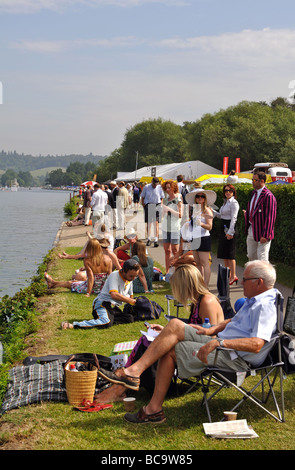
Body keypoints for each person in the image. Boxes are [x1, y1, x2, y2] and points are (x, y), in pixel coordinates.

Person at [95, 260, 280, 424]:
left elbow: (257, 344)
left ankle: (152, 408)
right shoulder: (255, 301)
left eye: (245, 279)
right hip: (225, 345)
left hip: (234, 358)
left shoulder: (264, 306)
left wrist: (218, 343)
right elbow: (235, 321)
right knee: (174, 325)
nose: (240, 281)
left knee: (170, 349)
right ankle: (136, 375)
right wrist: (212, 329)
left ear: (259, 282)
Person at [61, 259, 140, 329]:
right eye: (131, 276)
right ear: (124, 271)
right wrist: (131, 301)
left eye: (135, 276)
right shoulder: (115, 275)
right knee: (106, 322)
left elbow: (131, 296)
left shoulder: (130, 279)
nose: (133, 279)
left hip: (112, 308)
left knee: (129, 318)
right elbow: (114, 294)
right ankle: (74, 325)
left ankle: (106, 319)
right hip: (102, 304)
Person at [44, 238, 112, 297]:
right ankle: (53, 283)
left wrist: (88, 293)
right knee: (75, 281)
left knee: (71, 283)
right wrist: (111, 291)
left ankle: (53, 283)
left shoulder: (88, 261)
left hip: (93, 288)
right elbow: (110, 276)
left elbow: (91, 277)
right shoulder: (108, 259)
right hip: (103, 288)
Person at [185, 188, 216, 287]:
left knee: (204, 263)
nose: (200, 198)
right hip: (195, 238)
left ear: (205, 198)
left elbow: (210, 227)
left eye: (202, 196)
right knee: (197, 262)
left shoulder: (207, 210)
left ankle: (205, 285)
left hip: (203, 238)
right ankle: (199, 283)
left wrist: (201, 224)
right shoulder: (195, 210)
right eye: (198, 196)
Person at [244, 171, 277, 262]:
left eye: (255, 180)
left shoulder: (268, 196)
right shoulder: (254, 193)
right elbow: (253, 209)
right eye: (252, 179)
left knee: (262, 258)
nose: (252, 182)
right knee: (251, 256)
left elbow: (270, 216)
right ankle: (255, 276)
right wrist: (248, 214)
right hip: (252, 228)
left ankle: (264, 276)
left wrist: (266, 234)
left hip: (263, 231)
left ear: (262, 181)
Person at [212, 184, 240, 285]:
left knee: (230, 254)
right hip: (223, 227)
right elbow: (222, 216)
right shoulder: (225, 202)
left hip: (229, 228)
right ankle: (227, 274)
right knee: (225, 254)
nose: (228, 192)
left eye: (230, 191)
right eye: (226, 191)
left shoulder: (234, 203)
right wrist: (213, 212)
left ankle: (233, 275)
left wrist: (230, 232)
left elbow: (234, 218)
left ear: (233, 192)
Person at [161, 180, 183, 274]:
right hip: (166, 227)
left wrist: (169, 209)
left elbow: (180, 215)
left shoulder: (178, 200)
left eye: (169, 187)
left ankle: (177, 270)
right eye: (166, 188)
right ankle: (167, 271)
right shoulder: (166, 200)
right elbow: (163, 214)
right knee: (167, 250)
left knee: (175, 251)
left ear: (174, 188)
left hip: (174, 228)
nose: (167, 189)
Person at [140, 177, 164, 247]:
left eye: (156, 184)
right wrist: (144, 205)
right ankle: (149, 238)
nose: (155, 186)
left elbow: (162, 197)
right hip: (149, 205)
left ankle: (156, 239)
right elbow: (142, 197)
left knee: (156, 223)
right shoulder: (146, 187)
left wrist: (161, 205)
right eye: (154, 184)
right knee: (149, 223)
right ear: (152, 182)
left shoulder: (159, 187)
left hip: (157, 205)